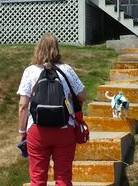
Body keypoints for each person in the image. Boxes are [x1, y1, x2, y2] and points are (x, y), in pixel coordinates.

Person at [17, 33, 87, 186]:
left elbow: (23, 105)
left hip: (37, 131)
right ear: (57, 49)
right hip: (65, 129)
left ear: (38, 48)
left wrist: (22, 132)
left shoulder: (30, 71)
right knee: (63, 178)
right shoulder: (66, 69)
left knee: (37, 179)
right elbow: (83, 95)